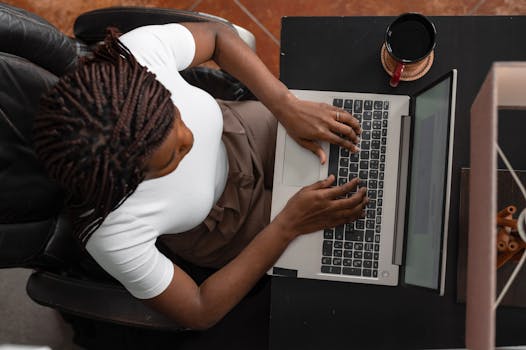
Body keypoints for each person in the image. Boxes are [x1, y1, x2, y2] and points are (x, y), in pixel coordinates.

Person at [33, 21, 367, 330]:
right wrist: (287, 226)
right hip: (226, 226)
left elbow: (219, 37)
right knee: (353, 237)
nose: (189, 138)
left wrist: (285, 104)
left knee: (367, 151)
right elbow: (199, 309)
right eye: (173, 157)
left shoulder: (137, 55)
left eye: (176, 118)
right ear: (128, 183)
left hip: (240, 131)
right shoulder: (111, 232)